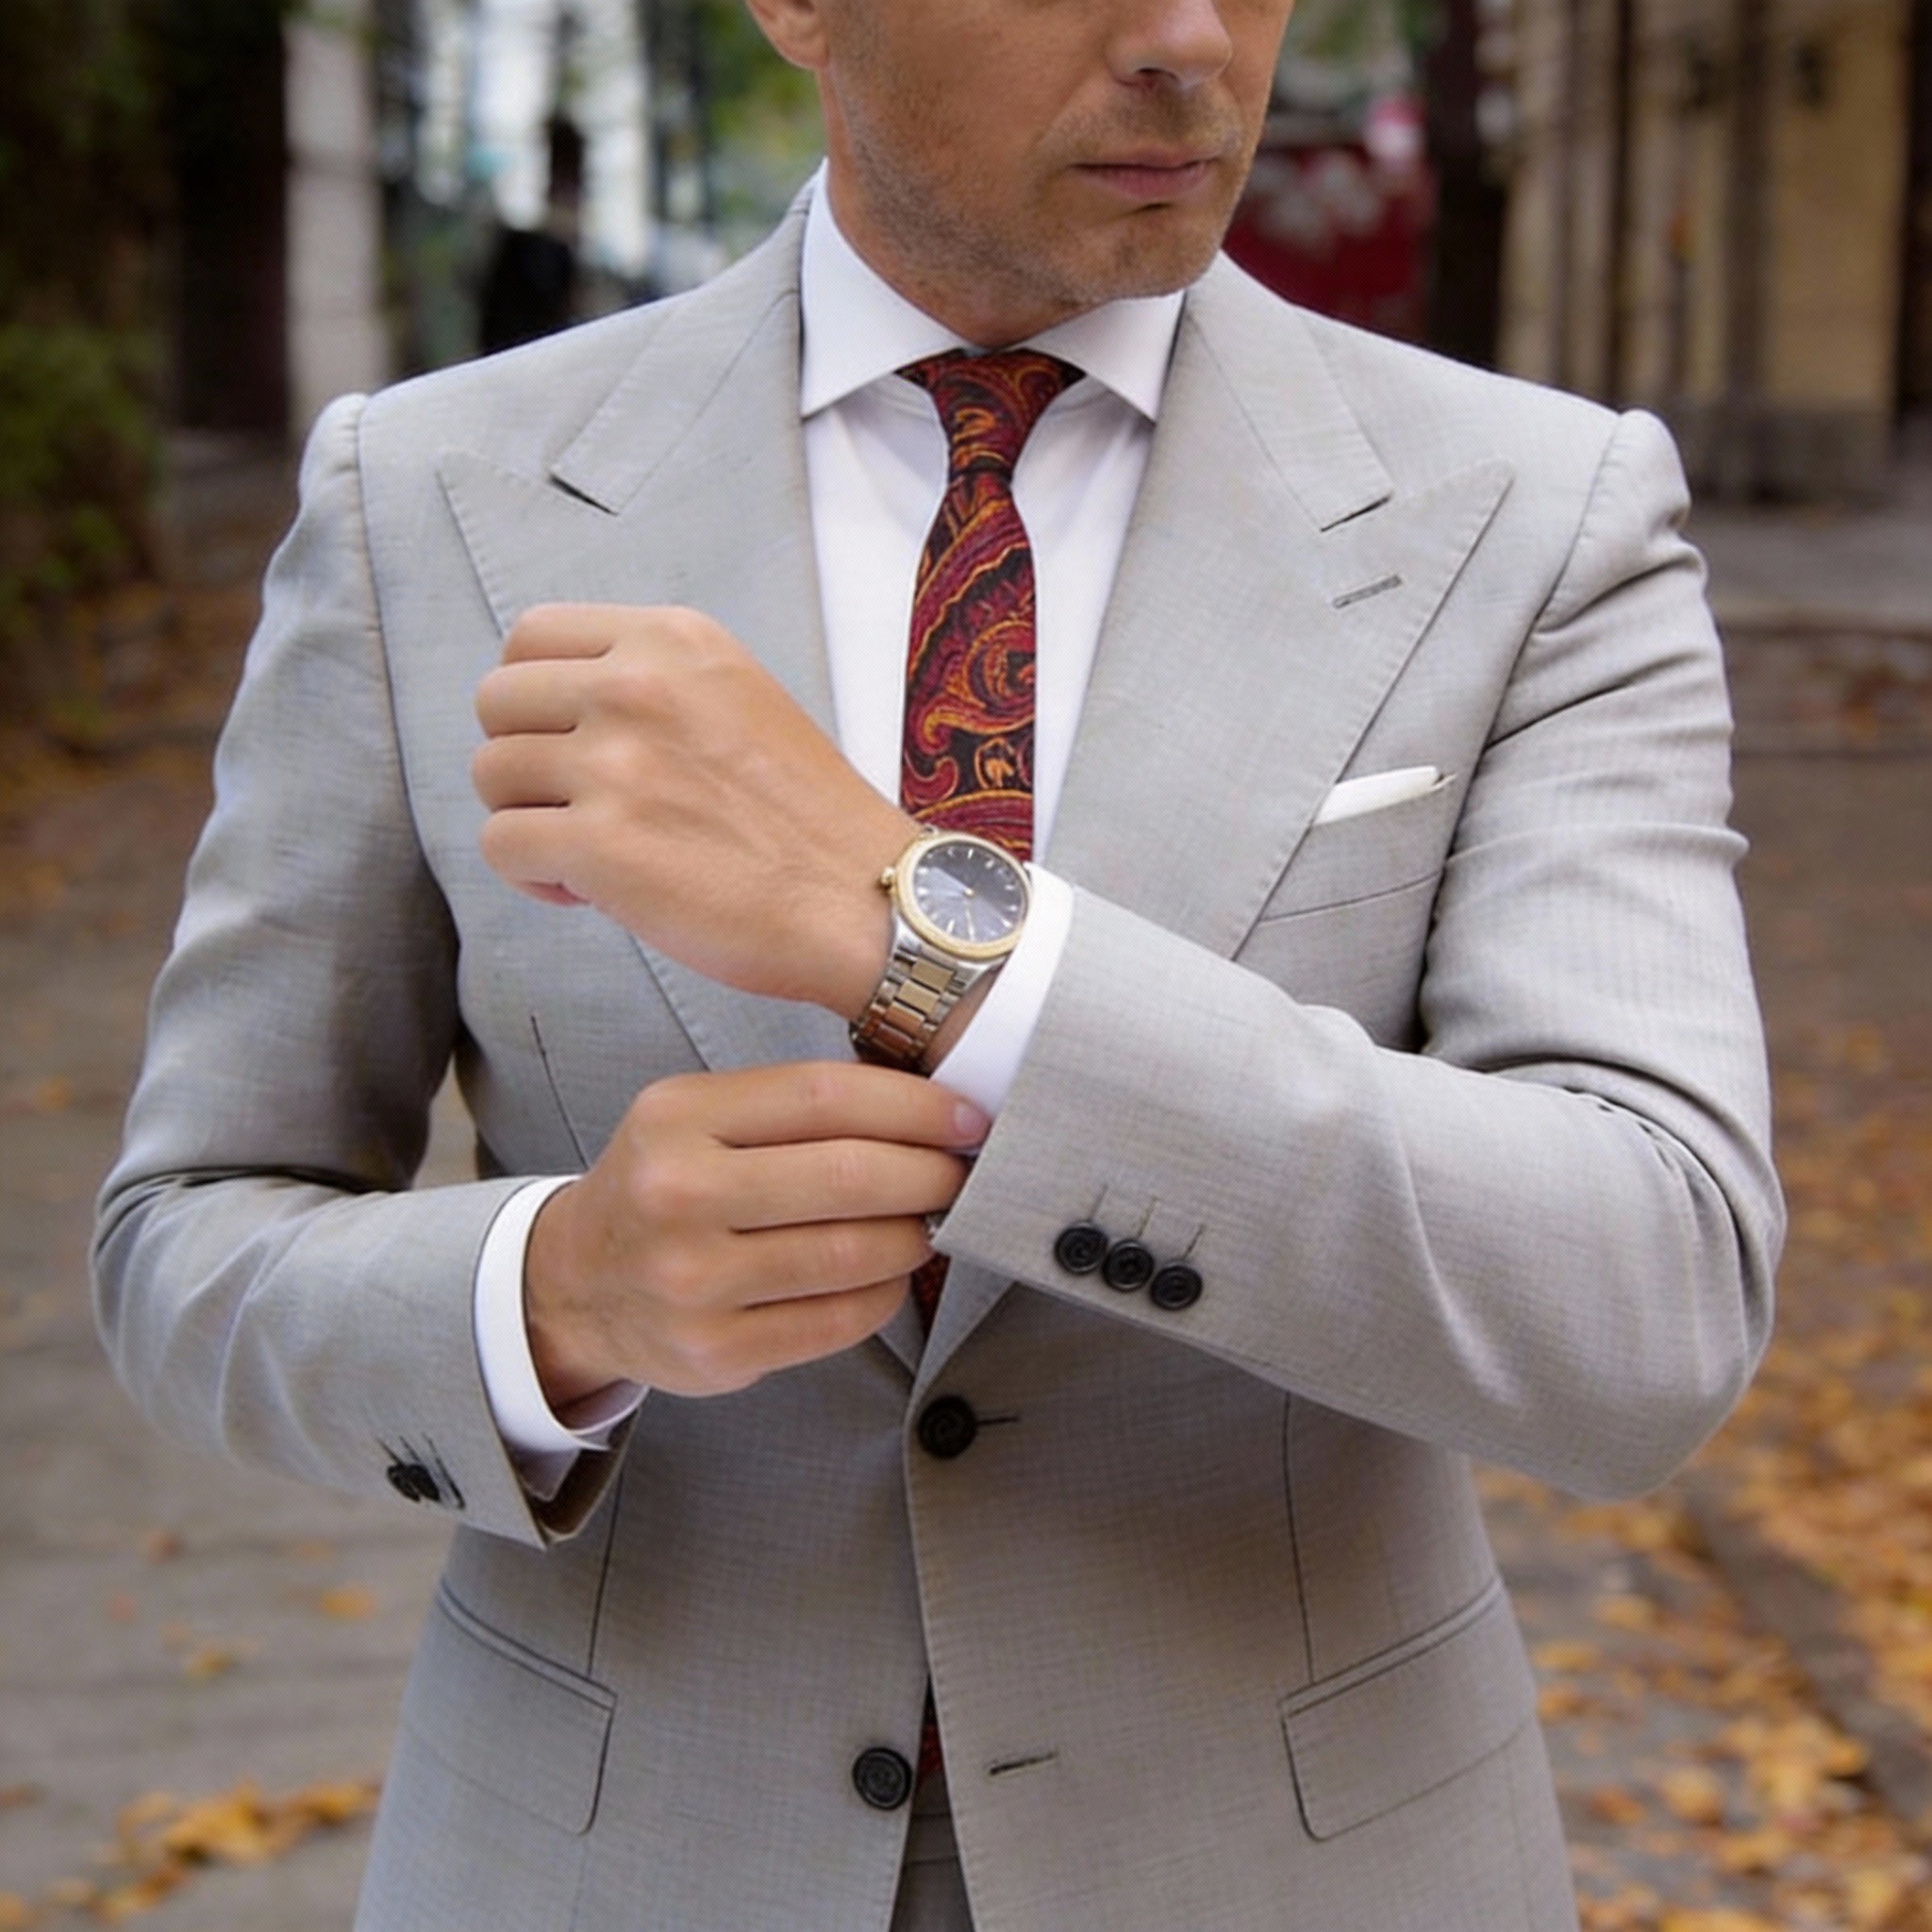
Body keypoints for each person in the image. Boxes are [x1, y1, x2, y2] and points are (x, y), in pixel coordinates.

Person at [92, 0, 1784, 1926]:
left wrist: (933, 942)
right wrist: (551, 1296)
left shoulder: (1539, 515)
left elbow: (1649, 1303)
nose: (1189, 37)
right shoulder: (426, 496)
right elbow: (187, 1244)